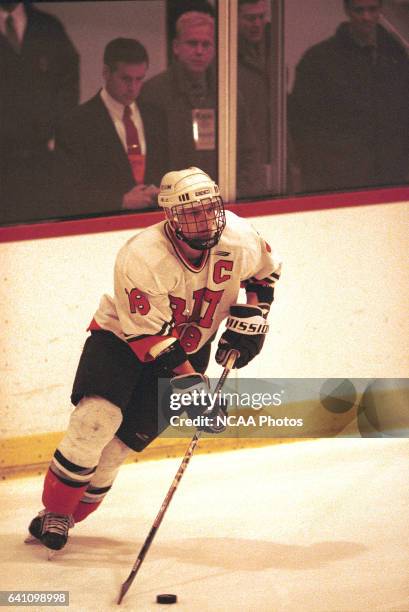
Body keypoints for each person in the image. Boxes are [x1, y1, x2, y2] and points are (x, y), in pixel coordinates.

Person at [26, 166, 282, 552]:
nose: (203, 220)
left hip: (191, 347)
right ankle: (57, 510)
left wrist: (254, 317)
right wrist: (192, 382)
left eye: (208, 208)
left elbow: (265, 275)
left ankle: (68, 516)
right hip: (121, 339)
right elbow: (145, 335)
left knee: (118, 448)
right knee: (97, 419)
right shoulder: (142, 256)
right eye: (190, 213)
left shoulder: (240, 235)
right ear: (170, 217)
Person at [288, 0, 409, 194]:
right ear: (347, 10)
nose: (366, 17)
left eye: (372, 9)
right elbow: (302, 125)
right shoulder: (319, 61)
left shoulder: (397, 58)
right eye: (359, 10)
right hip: (339, 181)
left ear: (381, 10)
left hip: (391, 179)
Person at [138, 11, 263, 199]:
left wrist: (237, 195)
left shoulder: (227, 94)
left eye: (206, 44)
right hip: (171, 204)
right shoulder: (152, 93)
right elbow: (145, 162)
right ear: (176, 47)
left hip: (221, 202)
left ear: (214, 49)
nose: (199, 51)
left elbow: (248, 153)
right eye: (192, 43)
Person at [53, 38, 159, 217]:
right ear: (106, 72)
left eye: (139, 79)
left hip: (152, 222)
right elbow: (67, 192)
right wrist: (121, 201)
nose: (133, 87)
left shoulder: (155, 116)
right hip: (102, 226)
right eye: (126, 79)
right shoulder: (75, 122)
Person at [0, 1, 79, 224]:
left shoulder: (47, 27)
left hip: (41, 158)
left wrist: (56, 128)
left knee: (42, 227)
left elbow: (68, 81)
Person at [237, 0, 273, 194]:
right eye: (250, 18)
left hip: (273, 152)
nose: (257, 24)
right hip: (245, 158)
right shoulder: (225, 58)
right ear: (235, 19)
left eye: (261, 17)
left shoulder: (274, 52)